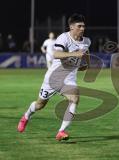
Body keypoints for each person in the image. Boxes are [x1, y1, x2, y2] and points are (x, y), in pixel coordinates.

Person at [17, 13, 91, 141]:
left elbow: (85, 61)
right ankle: (26, 116)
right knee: (40, 104)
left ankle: (61, 131)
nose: (82, 29)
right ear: (71, 27)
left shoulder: (86, 42)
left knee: (75, 98)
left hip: (69, 79)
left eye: (84, 26)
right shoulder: (64, 38)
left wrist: (85, 64)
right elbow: (56, 54)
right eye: (79, 26)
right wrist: (74, 54)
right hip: (53, 78)